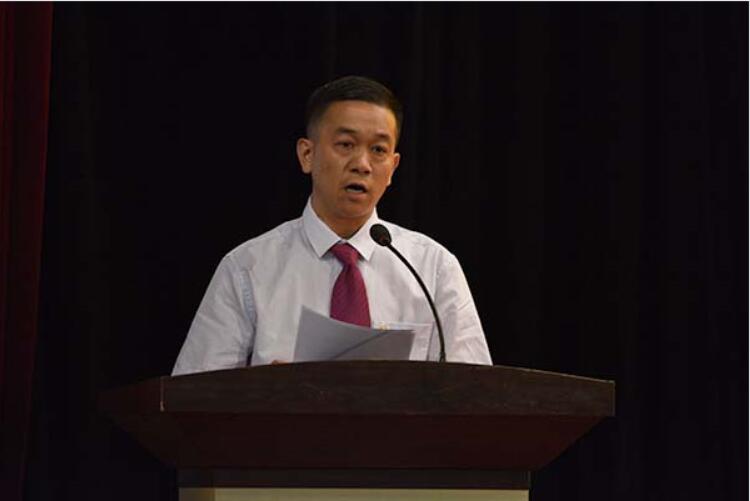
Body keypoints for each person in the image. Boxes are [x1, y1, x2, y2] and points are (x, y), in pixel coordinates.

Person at [172, 76, 492, 375]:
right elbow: (194, 397)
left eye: (378, 150)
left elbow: (474, 395)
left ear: (393, 167)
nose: (362, 164)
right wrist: (270, 392)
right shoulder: (248, 268)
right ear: (307, 154)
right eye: (345, 145)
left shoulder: (432, 269)